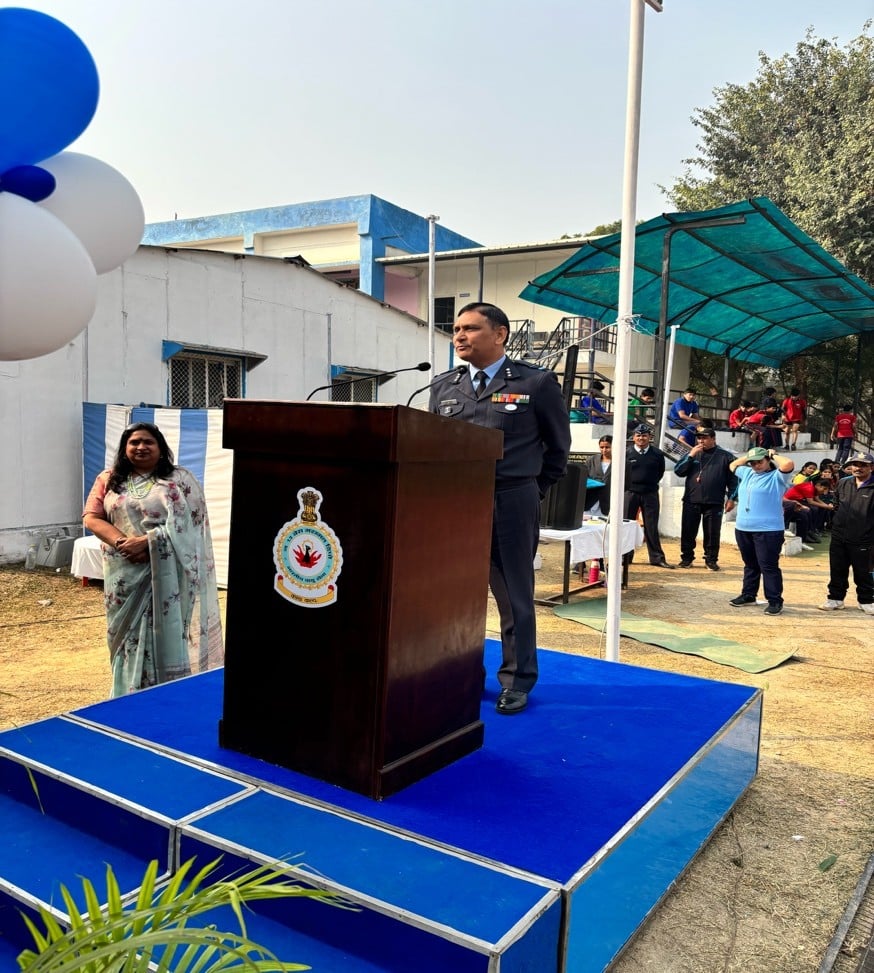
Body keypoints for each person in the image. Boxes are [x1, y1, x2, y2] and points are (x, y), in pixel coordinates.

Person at [429, 302, 571, 715]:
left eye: (470, 328)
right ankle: (460, 672)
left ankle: (516, 680)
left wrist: (531, 490)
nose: (459, 336)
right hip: (456, 504)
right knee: (454, 594)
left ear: (500, 334)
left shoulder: (535, 382)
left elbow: (558, 450)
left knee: (513, 595)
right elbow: (428, 444)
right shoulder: (443, 386)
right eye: (456, 329)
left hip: (510, 500)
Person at [83, 422, 224, 697]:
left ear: (160, 447)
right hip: (124, 574)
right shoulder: (109, 479)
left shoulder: (180, 479)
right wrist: (122, 543)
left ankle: (169, 694)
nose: (141, 447)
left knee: (167, 630)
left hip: (168, 573)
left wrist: (149, 542)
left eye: (148, 442)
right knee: (125, 637)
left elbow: (195, 526)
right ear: (124, 449)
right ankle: (126, 694)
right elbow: (91, 517)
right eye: (134, 442)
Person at [728, 446, 795, 615]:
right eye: (753, 463)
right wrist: (749, 456)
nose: (756, 465)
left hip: (768, 530)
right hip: (744, 528)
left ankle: (775, 600)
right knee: (750, 564)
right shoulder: (747, 473)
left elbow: (788, 464)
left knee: (768, 566)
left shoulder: (777, 477)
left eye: (759, 462)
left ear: (767, 461)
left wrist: (773, 454)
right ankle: (749, 594)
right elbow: (732, 465)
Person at [674, 426, 737, 570]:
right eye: (699, 438)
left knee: (712, 532)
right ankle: (687, 558)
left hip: (714, 501)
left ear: (713, 439)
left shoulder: (726, 457)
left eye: (705, 438)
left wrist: (732, 498)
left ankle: (711, 560)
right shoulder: (692, 454)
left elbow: (734, 481)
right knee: (688, 531)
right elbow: (679, 471)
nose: (701, 441)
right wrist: (690, 456)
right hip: (691, 500)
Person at [818, 452, 874, 614]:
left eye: (863, 465)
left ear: (871, 467)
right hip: (839, 535)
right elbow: (836, 505)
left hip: (864, 537)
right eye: (855, 464)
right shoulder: (843, 483)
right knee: (837, 569)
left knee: (863, 571)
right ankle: (835, 598)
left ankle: (866, 600)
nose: (858, 468)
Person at [624, 424, 673, 568]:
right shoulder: (627, 453)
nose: (641, 438)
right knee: (627, 525)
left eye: (644, 435)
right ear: (634, 437)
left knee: (651, 526)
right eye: (638, 435)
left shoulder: (657, 454)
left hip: (650, 493)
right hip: (630, 493)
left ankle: (657, 558)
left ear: (649, 437)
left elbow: (660, 472)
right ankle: (625, 556)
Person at [782, 476, 832, 547]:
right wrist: (827, 506)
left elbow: (817, 499)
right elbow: (811, 502)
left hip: (799, 501)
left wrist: (826, 506)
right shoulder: (809, 487)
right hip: (790, 502)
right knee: (809, 511)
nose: (824, 491)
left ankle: (811, 531)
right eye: (824, 489)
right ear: (818, 485)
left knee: (819, 509)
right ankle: (807, 532)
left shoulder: (814, 488)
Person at [584, 435, 613, 517]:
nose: (604, 450)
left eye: (607, 447)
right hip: (591, 500)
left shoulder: (622, 462)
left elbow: (626, 484)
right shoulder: (591, 460)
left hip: (608, 502)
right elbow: (584, 478)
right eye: (602, 447)